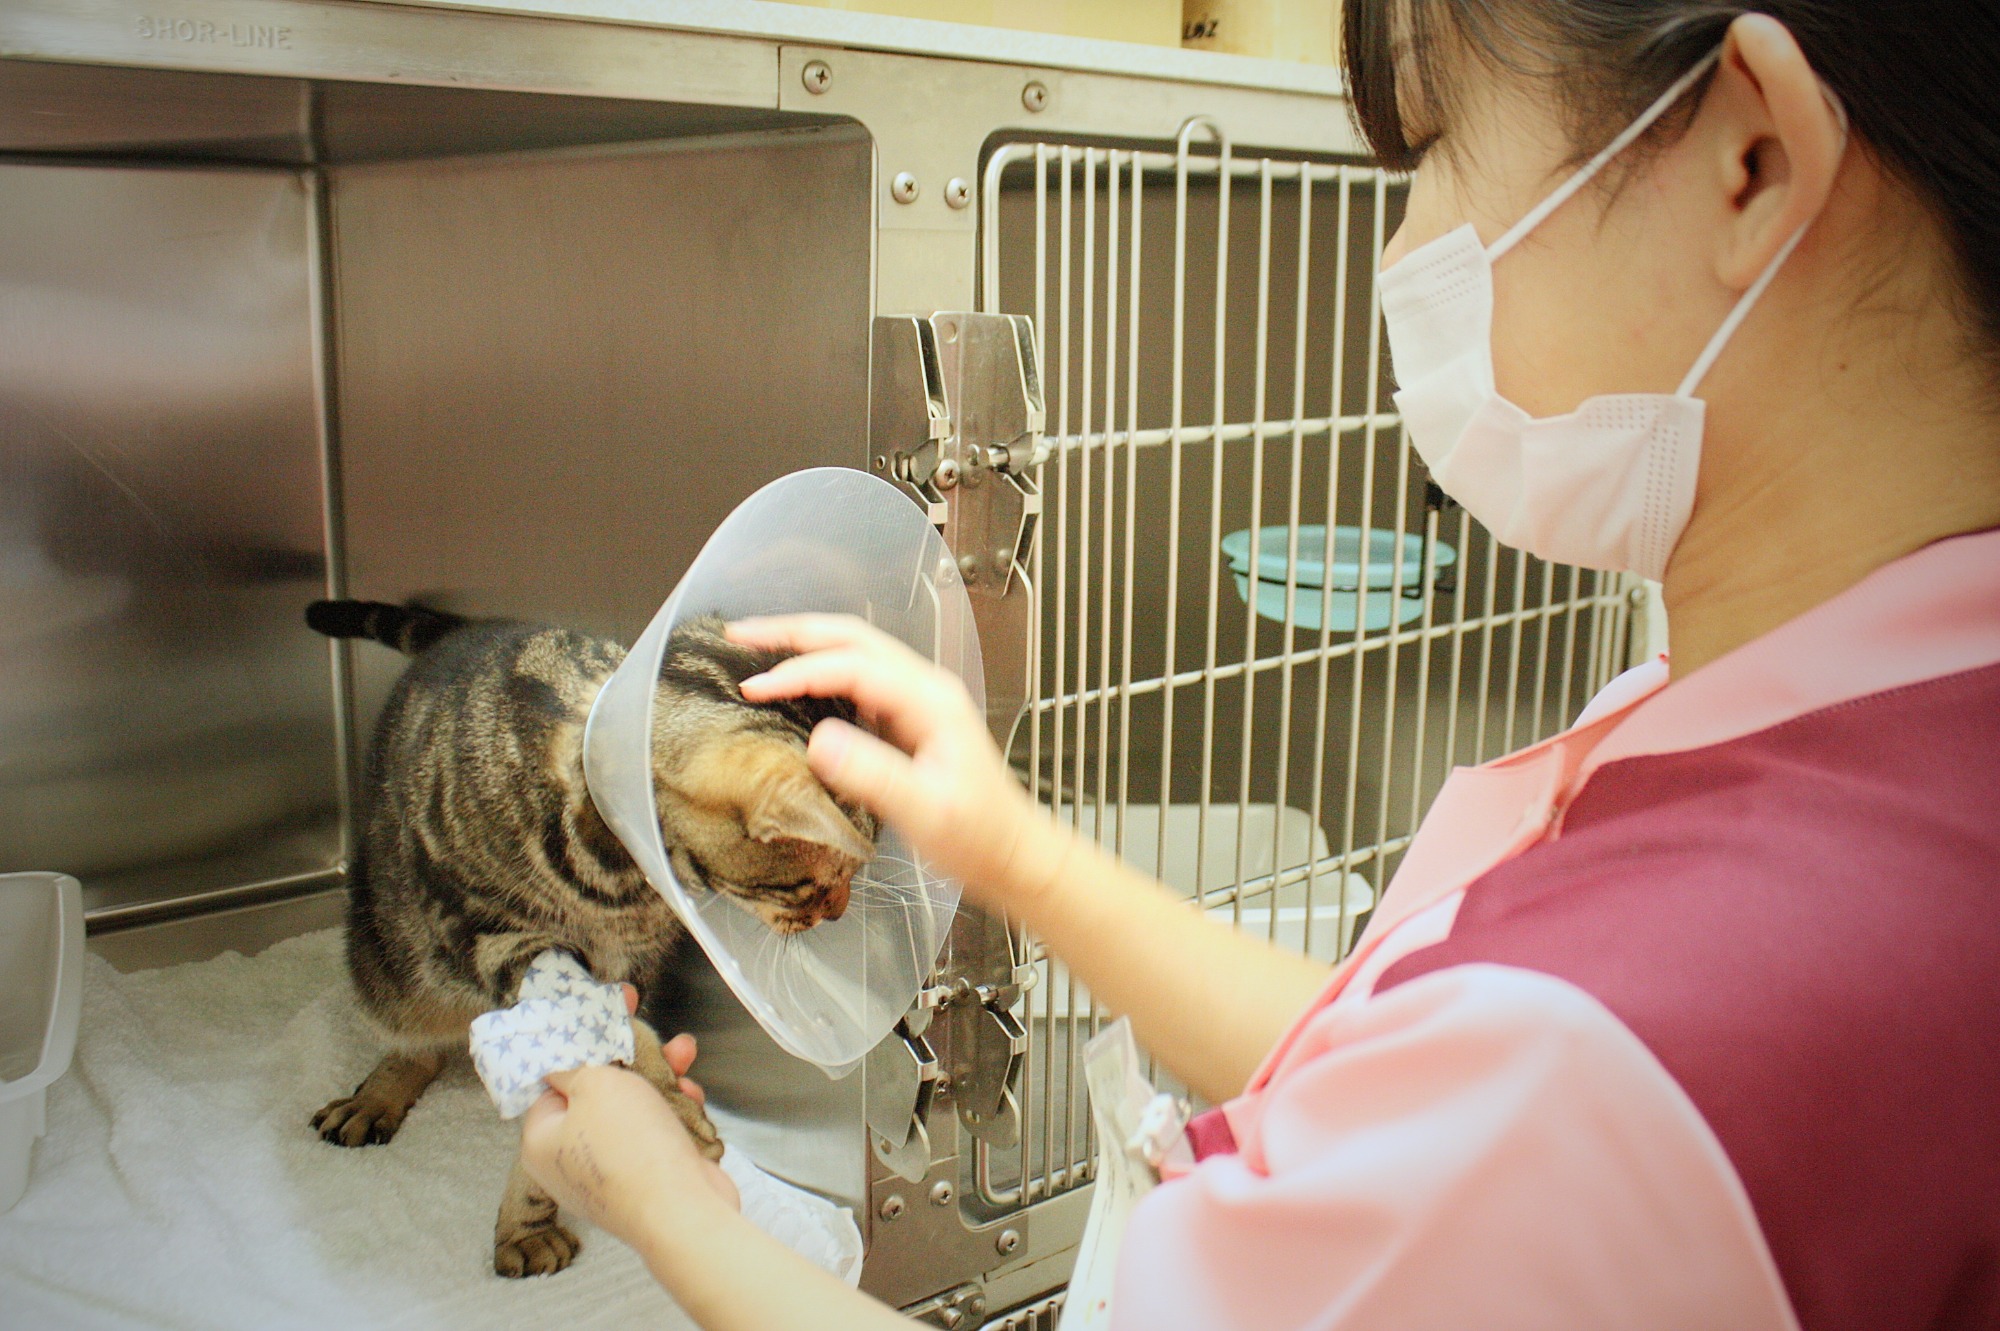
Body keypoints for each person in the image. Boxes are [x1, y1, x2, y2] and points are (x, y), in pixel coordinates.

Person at [522, 1, 2000, 1325]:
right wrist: (1008, 848)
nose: (1402, 244)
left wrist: (659, 1201)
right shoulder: (1879, 713)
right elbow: (1396, 1066)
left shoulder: (1602, 1071)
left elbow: (1520, 1096)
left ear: (1748, 153)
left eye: (1427, 141)